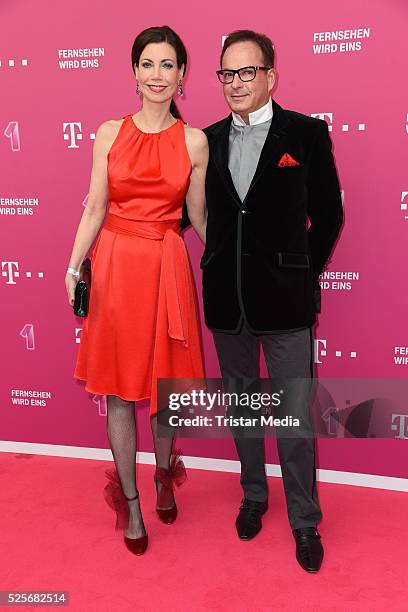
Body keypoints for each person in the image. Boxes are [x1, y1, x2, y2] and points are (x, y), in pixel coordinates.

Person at [200, 30, 343, 572]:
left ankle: (305, 521)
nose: (235, 83)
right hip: (226, 303)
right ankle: (254, 496)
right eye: (226, 74)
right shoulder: (204, 140)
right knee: (243, 409)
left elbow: (328, 214)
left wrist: (299, 271)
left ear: (269, 76)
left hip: (286, 304)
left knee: (293, 420)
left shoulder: (305, 134)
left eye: (246, 72)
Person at [65, 25, 208, 556]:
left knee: (164, 391)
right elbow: (96, 206)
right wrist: (74, 263)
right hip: (117, 266)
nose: (157, 75)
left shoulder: (194, 141)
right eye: (147, 64)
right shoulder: (108, 133)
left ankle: (164, 474)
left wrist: (235, 264)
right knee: (121, 393)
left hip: (166, 266)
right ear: (134, 72)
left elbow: (198, 216)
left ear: (182, 75)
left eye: (167, 64)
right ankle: (130, 500)